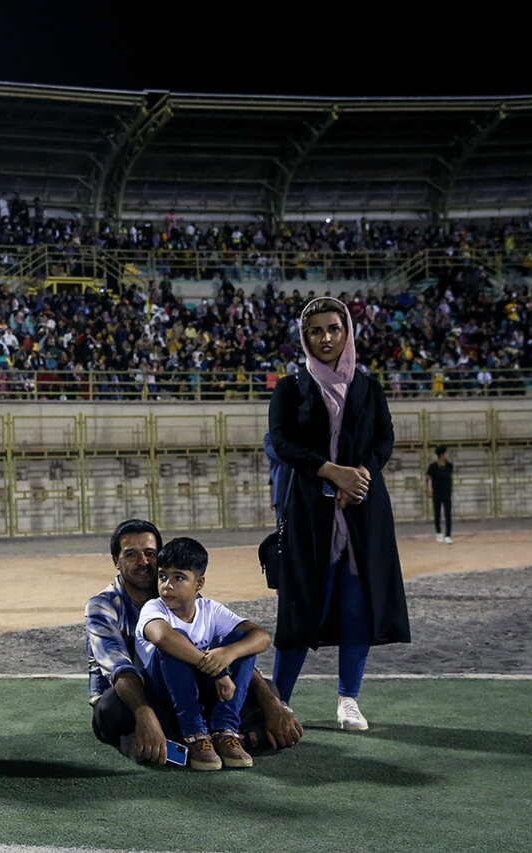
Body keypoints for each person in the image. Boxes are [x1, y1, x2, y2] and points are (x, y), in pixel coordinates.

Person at [268, 296, 410, 731]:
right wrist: (330, 472)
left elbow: (384, 439)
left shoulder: (368, 387)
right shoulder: (290, 389)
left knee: (356, 608)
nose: (326, 338)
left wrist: (360, 477)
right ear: (304, 338)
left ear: (347, 332)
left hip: (364, 512)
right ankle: (278, 701)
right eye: (316, 331)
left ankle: (348, 699)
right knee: (301, 606)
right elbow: (283, 441)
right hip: (310, 511)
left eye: (334, 329)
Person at [87, 518, 302, 767]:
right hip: (138, 696)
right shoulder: (105, 605)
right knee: (113, 708)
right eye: (131, 555)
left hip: (189, 690)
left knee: (265, 689)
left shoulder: (184, 595)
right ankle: (222, 739)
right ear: (116, 561)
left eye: (150, 553)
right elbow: (123, 671)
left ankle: (205, 740)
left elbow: (237, 648)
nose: (143, 562)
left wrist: (273, 703)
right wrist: (145, 714)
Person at [133, 537, 271, 771]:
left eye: (179, 578)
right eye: (163, 576)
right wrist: (219, 671)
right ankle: (195, 734)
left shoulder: (210, 609)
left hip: (205, 690)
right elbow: (163, 638)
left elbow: (262, 637)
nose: (167, 585)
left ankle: (225, 731)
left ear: (199, 583)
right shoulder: (154, 608)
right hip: (164, 691)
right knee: (176, 641)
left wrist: (227, 654)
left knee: (241, 642)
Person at [426, 445, 453, 544]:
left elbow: (451, 477)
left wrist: (451, 489)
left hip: (446, 493)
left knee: (448, 514)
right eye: (446, 453)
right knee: (437, 514)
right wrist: (428, 491)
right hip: (437, 493)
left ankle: (448, 535)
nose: (447, 455)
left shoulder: (449, 466)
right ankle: (438, 533)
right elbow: (427, 479)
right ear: (441, 455)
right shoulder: (433, 467)